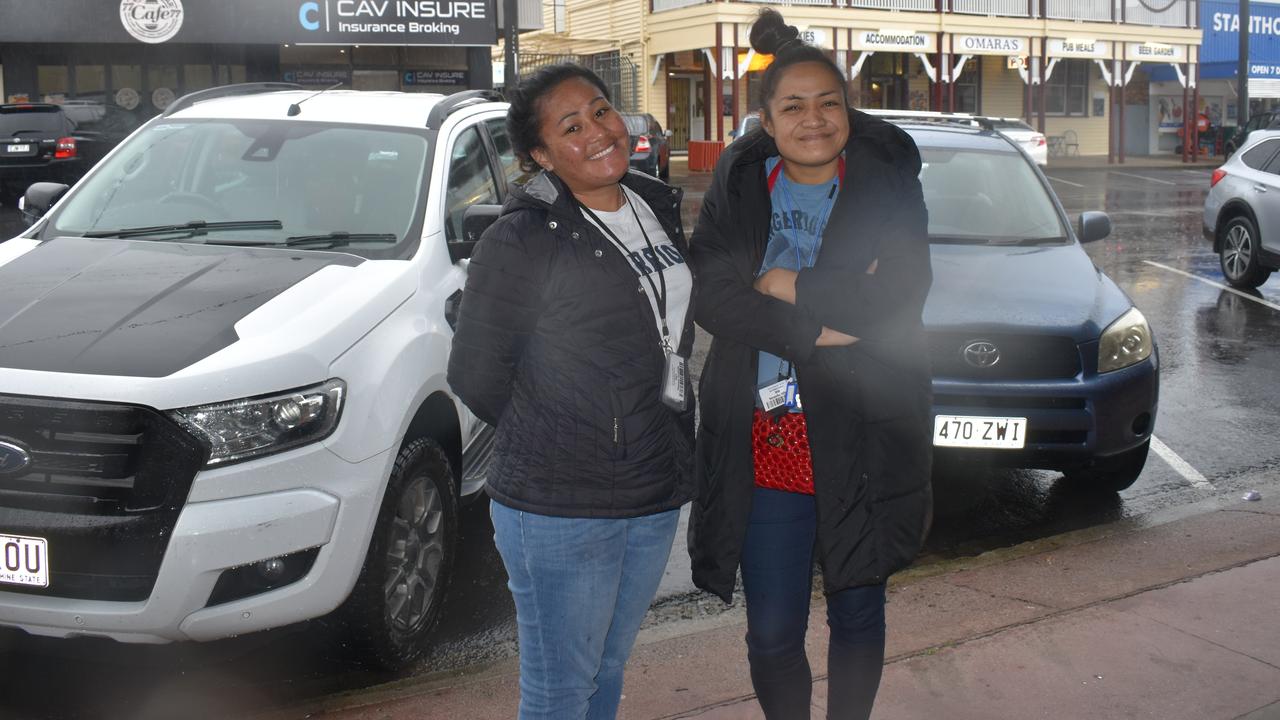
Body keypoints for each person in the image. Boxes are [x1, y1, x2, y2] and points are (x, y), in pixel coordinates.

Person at [687, 9, 933, 720]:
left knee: (857, 609)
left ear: (848, 111)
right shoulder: (739, 189)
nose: (814, 119)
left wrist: (784, 283)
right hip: (764, 437)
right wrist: (827, 323)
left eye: (829, 102)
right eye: (793, 105)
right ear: (766, 119)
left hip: (865, 423)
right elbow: (714, 298)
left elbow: (898, 298)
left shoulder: (887, 185)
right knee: (770, 631)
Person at [447, 64, 695, 720]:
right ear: (539, 155)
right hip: (561, 505)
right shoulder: (523, 239)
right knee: (560, 691)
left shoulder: (653, 205)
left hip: (652, 486)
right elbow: (475, 372)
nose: (598, 132)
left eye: (602, 111)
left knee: (606, 669)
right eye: (571, 126)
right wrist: (572, 429)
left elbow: (670, 331)